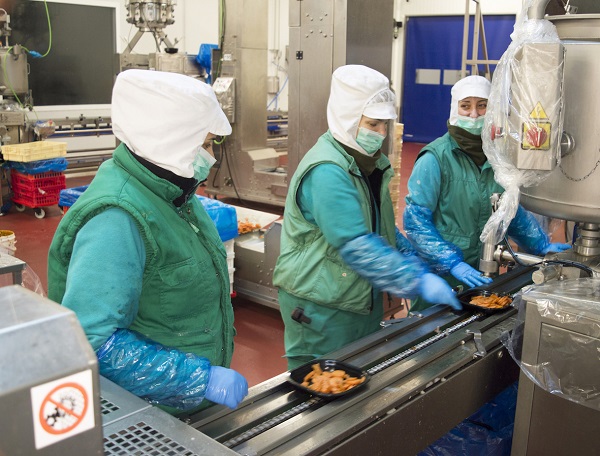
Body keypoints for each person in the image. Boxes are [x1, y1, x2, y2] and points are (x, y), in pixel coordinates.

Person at [47, 69, 248, 414]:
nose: (210, 156)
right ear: (170, 142)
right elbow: (91, 341)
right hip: (146, 416)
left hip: (184, 408)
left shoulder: (172, 193)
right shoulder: (117, 219)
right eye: (204, 145)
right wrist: (198, 379)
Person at [272, 65, 460, 370]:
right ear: (347, 118)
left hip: (354, 294)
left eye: (385, 124)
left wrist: (415, 259)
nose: (381, 133)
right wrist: (415, 280)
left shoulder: (368, 164)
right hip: (320, 305)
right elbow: (356, 244)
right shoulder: (328, 171)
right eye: (373, 124)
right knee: (324, 386)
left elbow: (381, 229)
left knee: (358, 373)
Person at [403, 75, 570, 311]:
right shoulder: (435, 158)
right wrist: (450, 262)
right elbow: (416, 221)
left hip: (483, 270)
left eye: (482, 105)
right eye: (465, 106)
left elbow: (509, 211)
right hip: (442, 276)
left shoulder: (497, 157)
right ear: (454, 109)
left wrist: (540, 245)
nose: (474, 114)